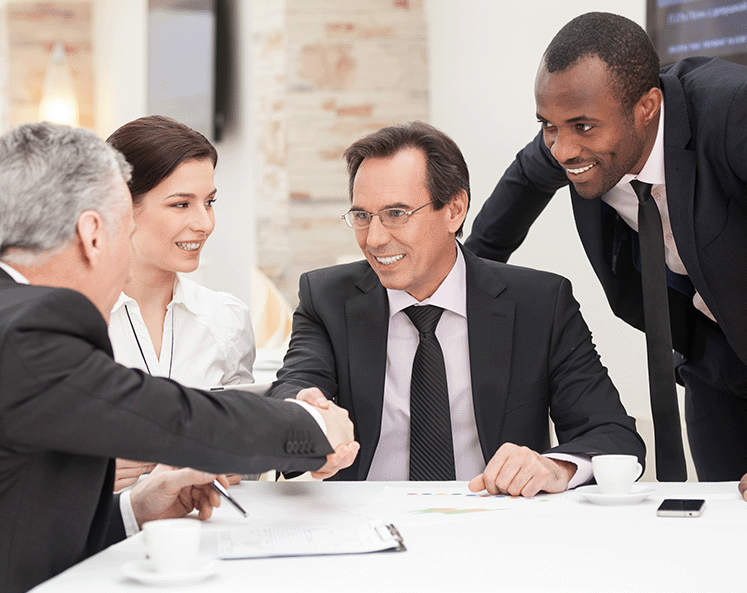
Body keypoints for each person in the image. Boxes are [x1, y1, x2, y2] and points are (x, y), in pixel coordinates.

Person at [464, 12, 747, 519]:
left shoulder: (740, 110)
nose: (562, 149)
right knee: (721, 519)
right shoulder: (568, 138)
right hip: (709, 352)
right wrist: (460, 282)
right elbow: (521, 185)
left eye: (581, 127)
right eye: (548, 127)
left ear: (647, 107)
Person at [0, 122, 355, 593]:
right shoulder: (27, 329)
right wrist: (310, 422)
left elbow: (8, 520)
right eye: (126, 228)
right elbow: (178, 419)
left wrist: (136, 507)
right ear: (92, 233)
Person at [268, 121, 645, 495]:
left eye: (396, 214)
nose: (375, 239)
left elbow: (612, 436)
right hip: (366, 526)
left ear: (454, 209)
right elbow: (297, 385)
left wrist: (556, 467)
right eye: (363, 216)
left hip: (495, 526)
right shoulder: (326, 298)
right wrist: (303, 413)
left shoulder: (540, 304)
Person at [105, 116, 256, 491]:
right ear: (123, 206)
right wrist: (86, 470)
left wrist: (238, 460)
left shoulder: (226, 319)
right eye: (181, 204)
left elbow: (249, 457)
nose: (204, 223)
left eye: (209, 202)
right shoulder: (69, 321)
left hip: (204, 534)